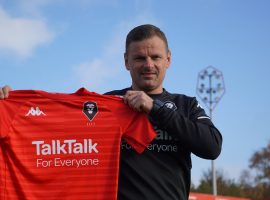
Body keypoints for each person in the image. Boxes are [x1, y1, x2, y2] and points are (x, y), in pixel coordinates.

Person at [0, 24, 222, 200]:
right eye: (139, 58)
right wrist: (11, 105)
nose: (148, 64)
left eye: (155, 57)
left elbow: (212, 146)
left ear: (168, 59)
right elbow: (53, 137)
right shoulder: (107, 105)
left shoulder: (186, 105)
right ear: (126, 61)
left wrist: (156, 109)